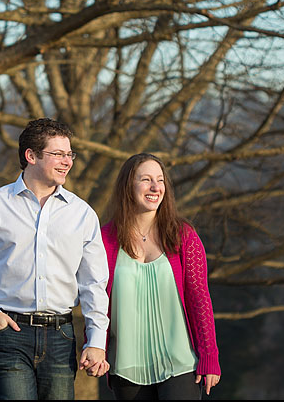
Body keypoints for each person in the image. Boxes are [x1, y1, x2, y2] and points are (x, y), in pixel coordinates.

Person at [0, 118, 110, 400]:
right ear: (31, 156)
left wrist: (97, 341)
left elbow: (94, 284)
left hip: (61, 336)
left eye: (69, 154)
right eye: (58, 154)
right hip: (9, 333)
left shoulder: (82, 214)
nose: (67, 162)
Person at [101, 153, 221, 400]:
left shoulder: (184, 236)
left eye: (160, 180)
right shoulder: (105, 240)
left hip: (181, 365)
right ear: (127, 187)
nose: (155, 187)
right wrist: (96, 348)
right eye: (146, 179)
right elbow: (96, 301)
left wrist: (209, 356)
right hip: (126, 367)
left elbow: (200, 299)